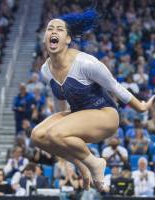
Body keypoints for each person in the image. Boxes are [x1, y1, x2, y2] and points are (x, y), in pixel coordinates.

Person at [30, 9, 155, 192]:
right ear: (44, 38)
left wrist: (141, 107)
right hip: (79, 114)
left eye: (59, 29)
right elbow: (59, 102)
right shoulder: (45, 70)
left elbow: (115, 86)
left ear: (68, 40)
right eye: (50, 29)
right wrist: (59, 132)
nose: (54, 32)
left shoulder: (86, 63)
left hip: (105, 114)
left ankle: (95, 164)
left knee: (55, 133)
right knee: (38, 136)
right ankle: (81, 165)